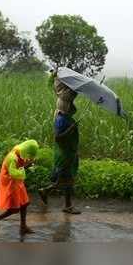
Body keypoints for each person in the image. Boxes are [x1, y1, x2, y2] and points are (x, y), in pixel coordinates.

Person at [39, 70, 81, 214]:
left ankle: (45, 191)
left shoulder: (64, 116)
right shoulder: (61, 119)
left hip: (68, 152)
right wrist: (71, 130)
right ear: (67, 106)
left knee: (63, 180)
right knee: (67, 181)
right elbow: (58, 137)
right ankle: (67, 205)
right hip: (64, 154)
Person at [0, 139, 39, 235]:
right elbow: (14, 173)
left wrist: (26, 164)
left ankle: (23, 227)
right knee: (14, 209)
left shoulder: (19, 151)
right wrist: (25, 167)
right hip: (10, 181)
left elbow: (20, 166)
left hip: (17, 180)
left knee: (25, 203)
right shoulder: (12, 158)